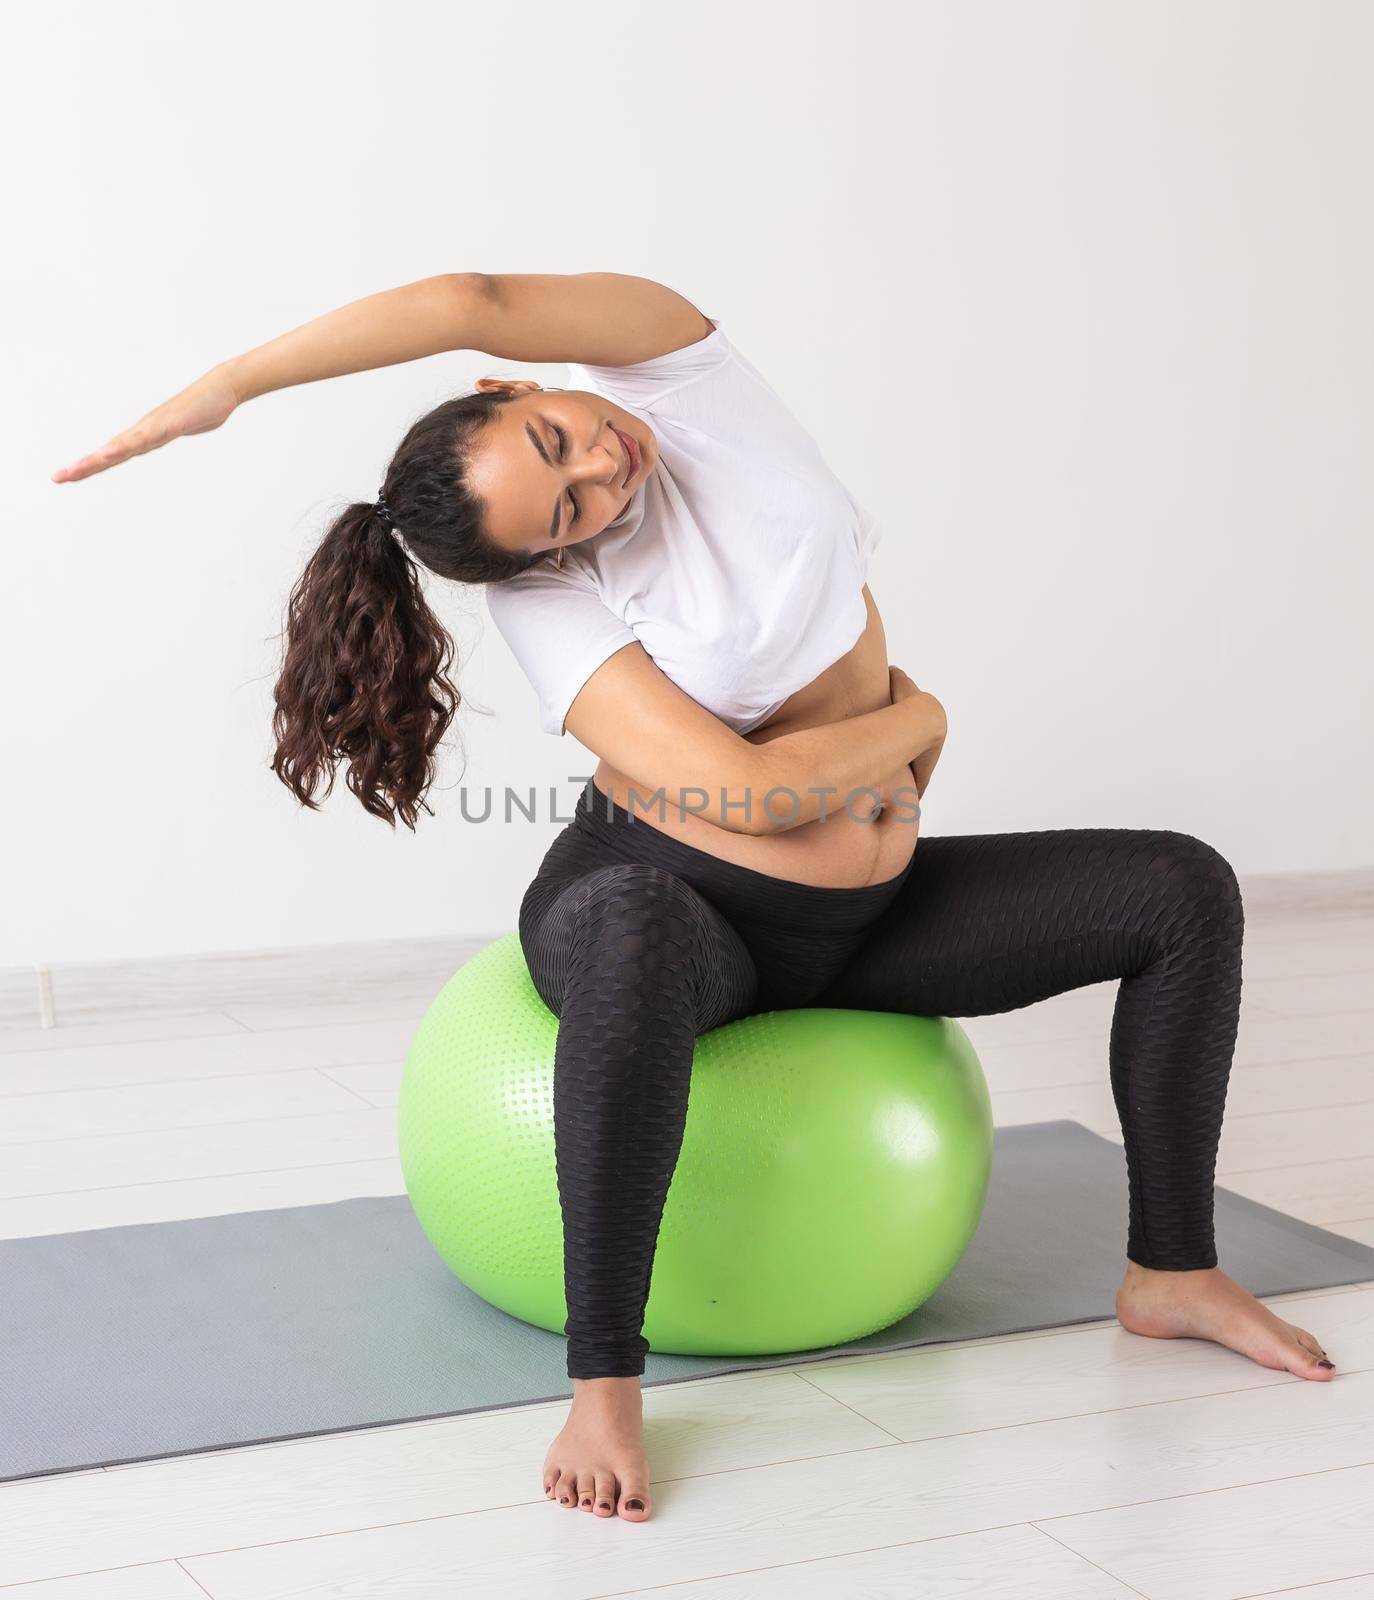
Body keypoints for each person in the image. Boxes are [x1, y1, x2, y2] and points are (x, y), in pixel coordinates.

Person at [53, 270, 1336, 1526]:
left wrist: (228, 384)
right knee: (637, 924)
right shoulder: (549, 597)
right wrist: (922, 717)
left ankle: (1175, 1269)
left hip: (865, 924)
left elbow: (471, 299)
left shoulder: (687, 379)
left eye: (558, 440)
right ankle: (604, 1382)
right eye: (565, 509)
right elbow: (750, 794)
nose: (600, 476)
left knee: (1180, 888)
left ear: (520, 385)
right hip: (669, 907)